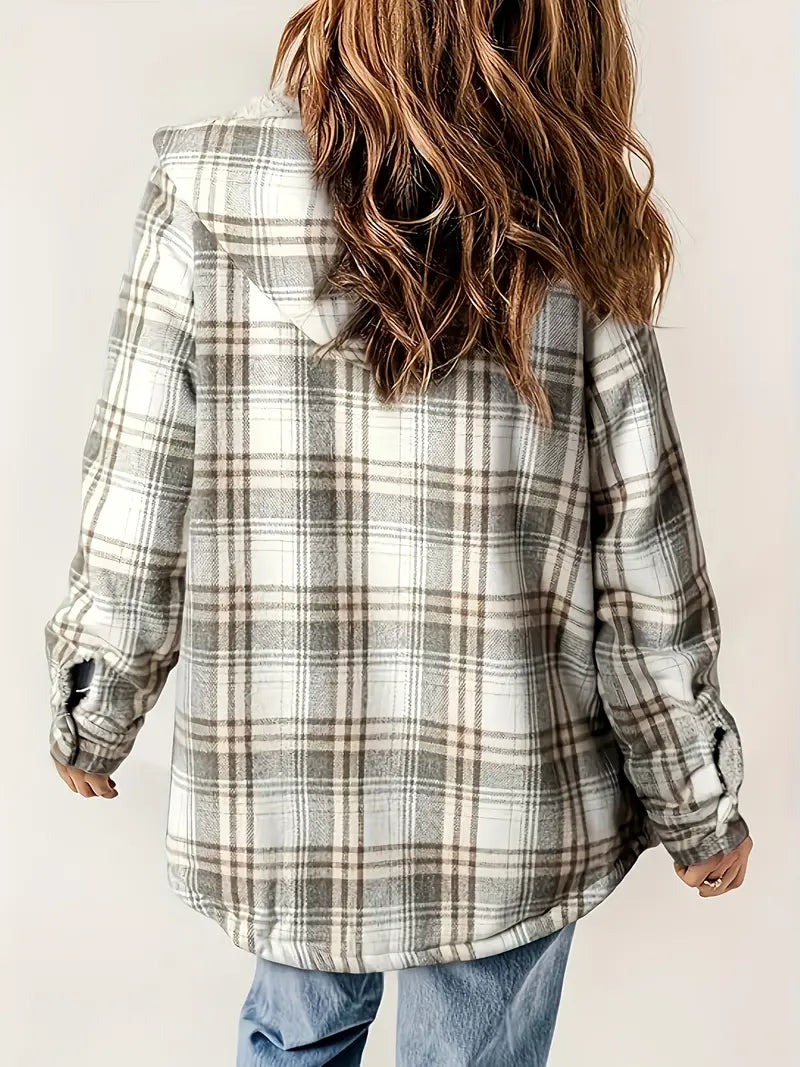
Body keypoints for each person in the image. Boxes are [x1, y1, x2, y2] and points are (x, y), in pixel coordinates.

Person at [44, 1, 753, 1064]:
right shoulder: (571, 210)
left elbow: (140, 483)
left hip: (285, 796)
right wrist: (694, 799)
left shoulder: (209, 194)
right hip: (505, 795)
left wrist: (98, 694)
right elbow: (641, 549)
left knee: (293, 1037)